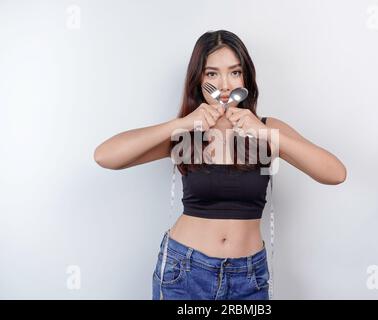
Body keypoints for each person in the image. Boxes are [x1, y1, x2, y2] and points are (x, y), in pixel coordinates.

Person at [94, 30, 347, 300]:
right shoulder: (187, 135)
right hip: (184, 272)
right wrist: (180, 123)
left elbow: (335, 173)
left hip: (249, 277)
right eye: (212, 74)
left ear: (245, 77)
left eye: (234, 72)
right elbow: (106, 156)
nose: (224, 85)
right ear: (199, 79)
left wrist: (266, 135)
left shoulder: (267, 129)